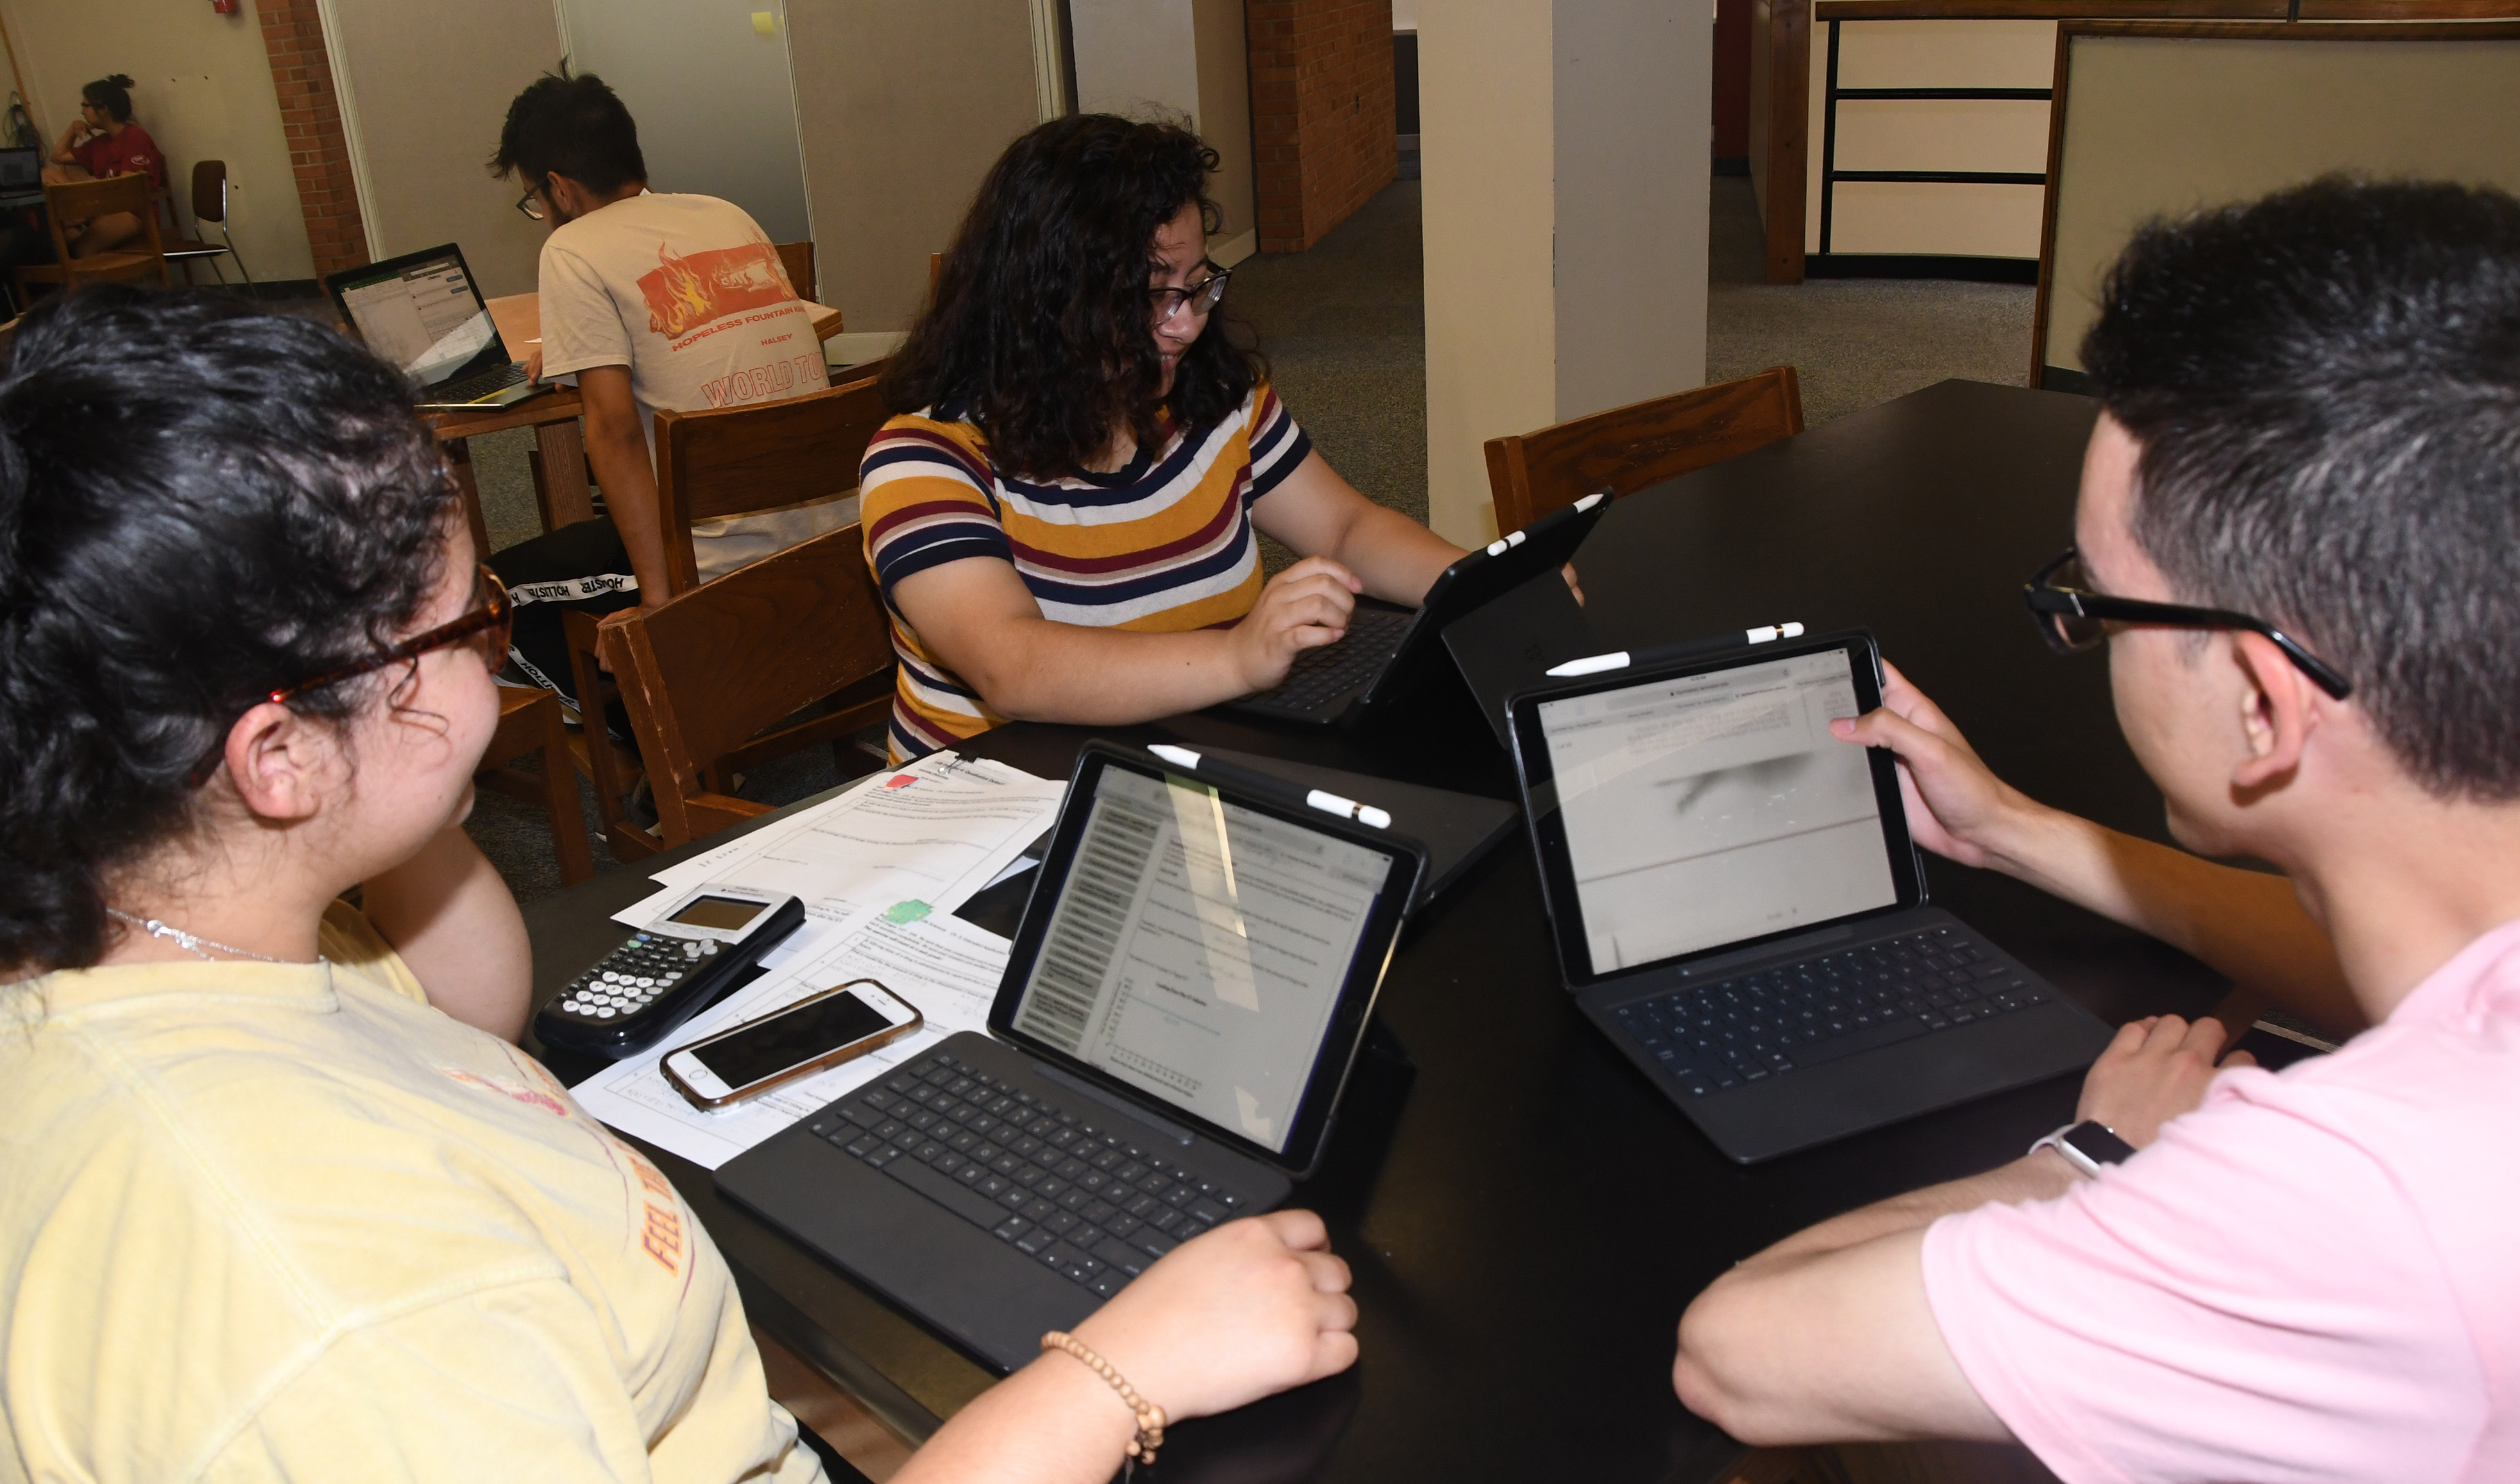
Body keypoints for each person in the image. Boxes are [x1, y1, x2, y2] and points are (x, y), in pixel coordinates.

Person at [0, 287, 1359, 1482]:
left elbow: (474, 1003)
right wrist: (1114, 1377)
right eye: (476, 623)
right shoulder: (341, 1306)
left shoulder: (162, 914)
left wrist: (379, 775)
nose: (501, 664)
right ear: (276, 755)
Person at [1669, 177, 2520, 1482]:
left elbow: (1740, 1350)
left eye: (2098, 605)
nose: (2085, 637)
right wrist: (2010, 830)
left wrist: (2093, 1153)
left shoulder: (2365, 1200)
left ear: (2260, 700)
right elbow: (2395, 961)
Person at [859, 114, 1478, 761]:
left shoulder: (1212, 400)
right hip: (994, 820)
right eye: (1150, 296)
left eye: (1195, 286)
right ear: (1047, 300)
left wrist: (1473, 584)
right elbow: (1013, 668)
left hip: (1178, 769)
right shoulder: (924, 459)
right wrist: (1237, 659)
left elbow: (1345, 528)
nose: (1183, 326)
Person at [486, 67, 844, 701]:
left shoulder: (570, 252)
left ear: (559, 189)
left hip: (718, 564)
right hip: (835, 534)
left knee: (488, 594)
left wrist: (662, 605)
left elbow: (617, 434)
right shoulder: (725, 213)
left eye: (534, 199)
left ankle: (668, 729)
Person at [41, 73, 164, 258]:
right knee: (48, 174)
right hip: (104, 208)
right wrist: (73, 130)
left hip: (133, 211)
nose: (82, 111)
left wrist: (89, 210)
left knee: (81, 248)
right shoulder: (100, 142)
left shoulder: (135, 137)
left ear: (103, 109)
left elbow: (127, 187)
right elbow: (57, 157)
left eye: (86, 105)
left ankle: (107, 283)